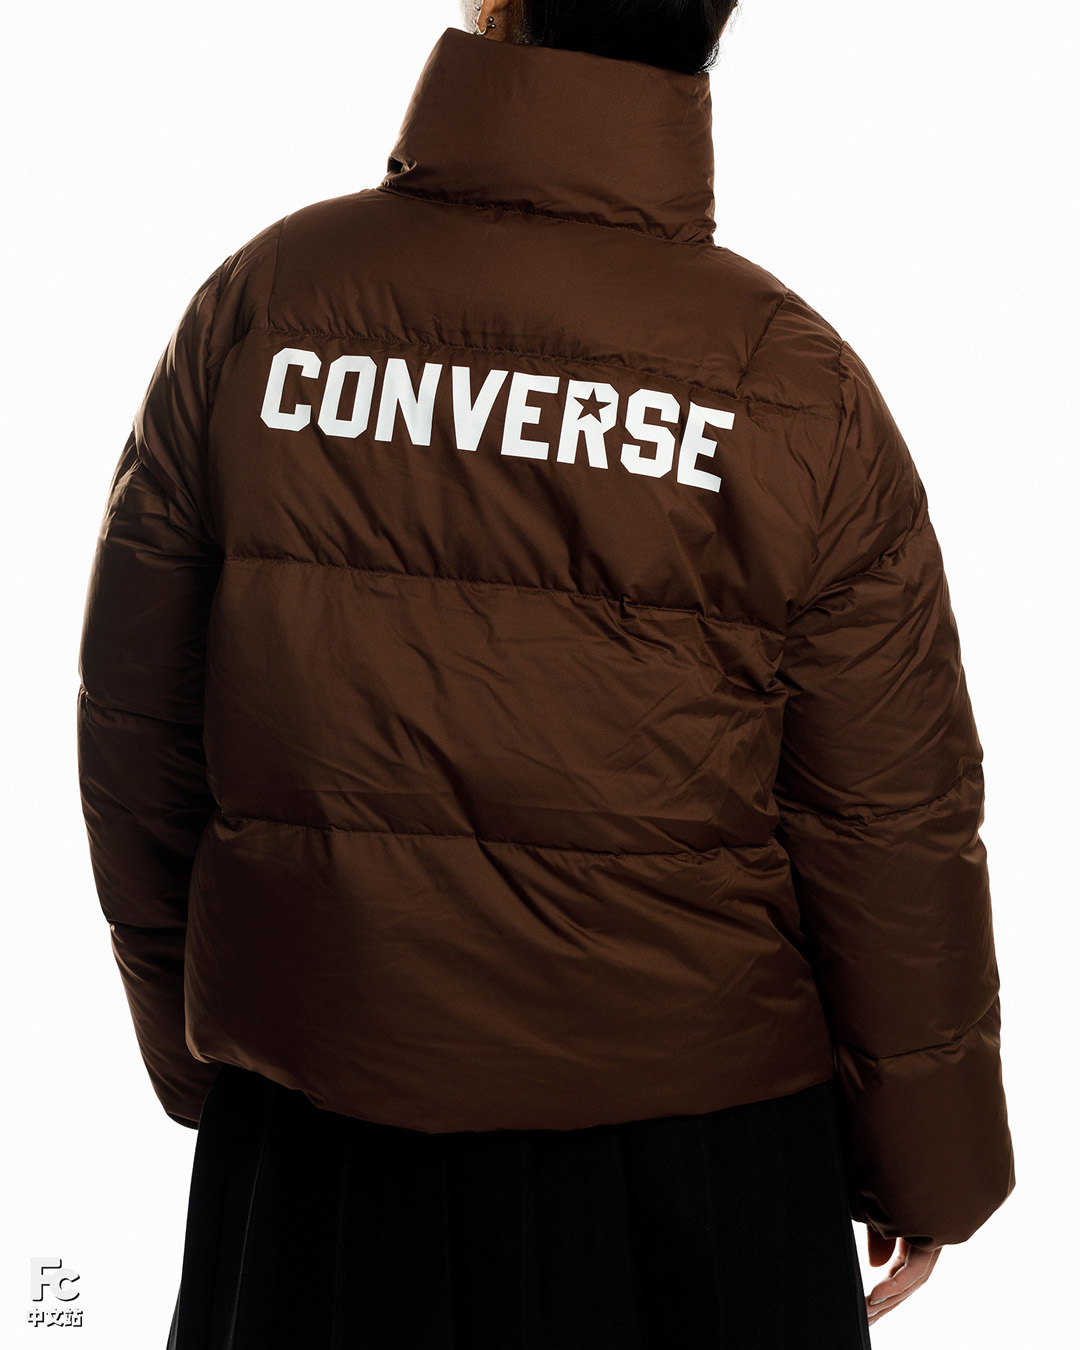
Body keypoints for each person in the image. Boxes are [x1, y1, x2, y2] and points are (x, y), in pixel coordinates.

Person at [75, 1, 1015, 1345]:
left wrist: (212, 1057)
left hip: (322, 1154)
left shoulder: (265, 307)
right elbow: (889, 820)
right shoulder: (794, 385)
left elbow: (139, 733)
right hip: (702, 1174)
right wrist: (930, 1160)